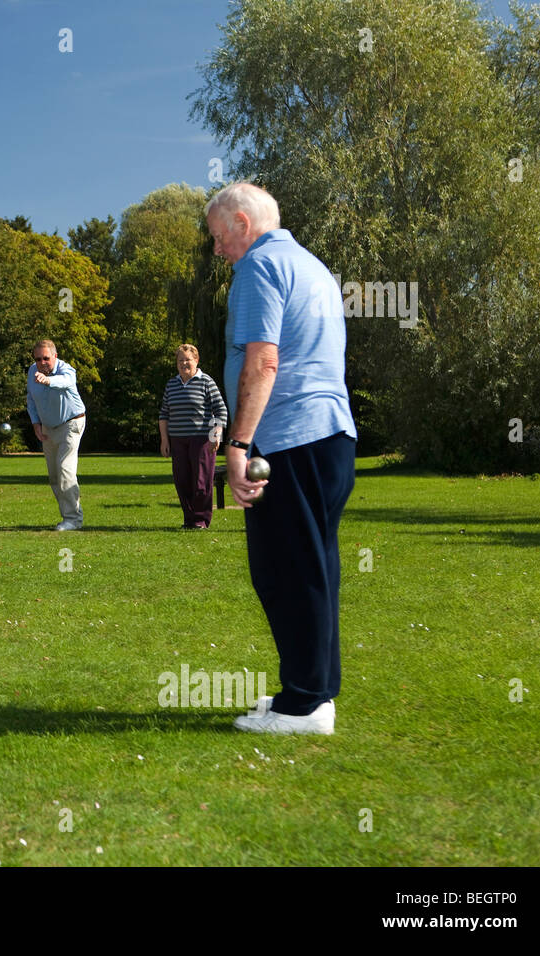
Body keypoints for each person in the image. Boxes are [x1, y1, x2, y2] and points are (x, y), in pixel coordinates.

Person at [205, 182, 357, 736]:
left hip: (292, 441)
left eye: (219, 237)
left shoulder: (257, 269)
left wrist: (239, 445)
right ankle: (311, 689)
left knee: (284, 571)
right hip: (331, 439)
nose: (217, 250)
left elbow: (263, 361)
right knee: (314, 568)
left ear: (242, 223)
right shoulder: (311, 265)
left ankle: (306, 705)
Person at [158, 344, 228, 529]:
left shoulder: (206, 382)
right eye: (180, 360)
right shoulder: (171, 384)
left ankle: (201, 520)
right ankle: (189, 519)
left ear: (196, 360)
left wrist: (216, 435)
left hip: (201, 440)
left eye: (187, 360)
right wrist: (165, 440)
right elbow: (164, 414)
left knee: (201, 482)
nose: (183, 363)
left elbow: (220, 410)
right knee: (182, 481)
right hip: (178, 440)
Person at [25, 339, 86, 530]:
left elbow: (66, 382)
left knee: (65, 470)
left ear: (55, 356)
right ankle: (68, 516)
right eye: (38, 359)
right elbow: (31, 399)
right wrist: (35, 422)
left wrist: (49, 380)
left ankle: (73, 519)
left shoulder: (66, 370)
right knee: (54, 475)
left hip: (71, 423)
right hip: (48, 428)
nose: (42, 363)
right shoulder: (32, 371)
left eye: (46, 358)